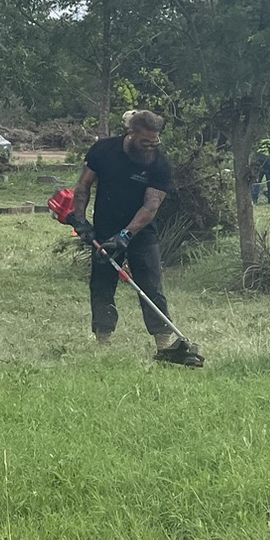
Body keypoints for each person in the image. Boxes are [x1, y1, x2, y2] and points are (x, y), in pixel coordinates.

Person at [73, 109, 188, 357]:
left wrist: (125, 235)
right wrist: (81, 221)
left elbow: (151, 206)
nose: (150, 147)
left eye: (154, 142)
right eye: (145, 142)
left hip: (141, 233)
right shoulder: (104, 151)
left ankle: (164, 346)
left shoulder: (159, 164)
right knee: (101, 286)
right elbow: (83, 185)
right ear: (131, 133)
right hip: (103, 229)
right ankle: (103, 344)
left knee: (151, 285)